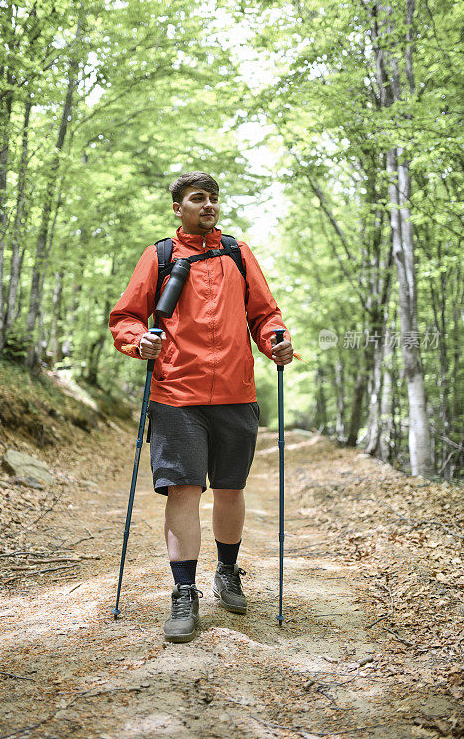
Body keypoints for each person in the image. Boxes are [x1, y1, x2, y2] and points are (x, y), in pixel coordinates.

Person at [109, 171, 293, 643]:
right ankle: (184, 593)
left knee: (230, 488)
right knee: (184, 490)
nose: (208, 205)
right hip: (176, 394)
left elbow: (264, 313)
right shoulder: (160, 256)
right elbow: (127, 316)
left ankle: (227, 572)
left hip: (236, 391)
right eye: (198, 198)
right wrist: (138, 342)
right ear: (179, 207)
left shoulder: (237, 253)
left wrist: (276, 340)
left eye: (213, 199)